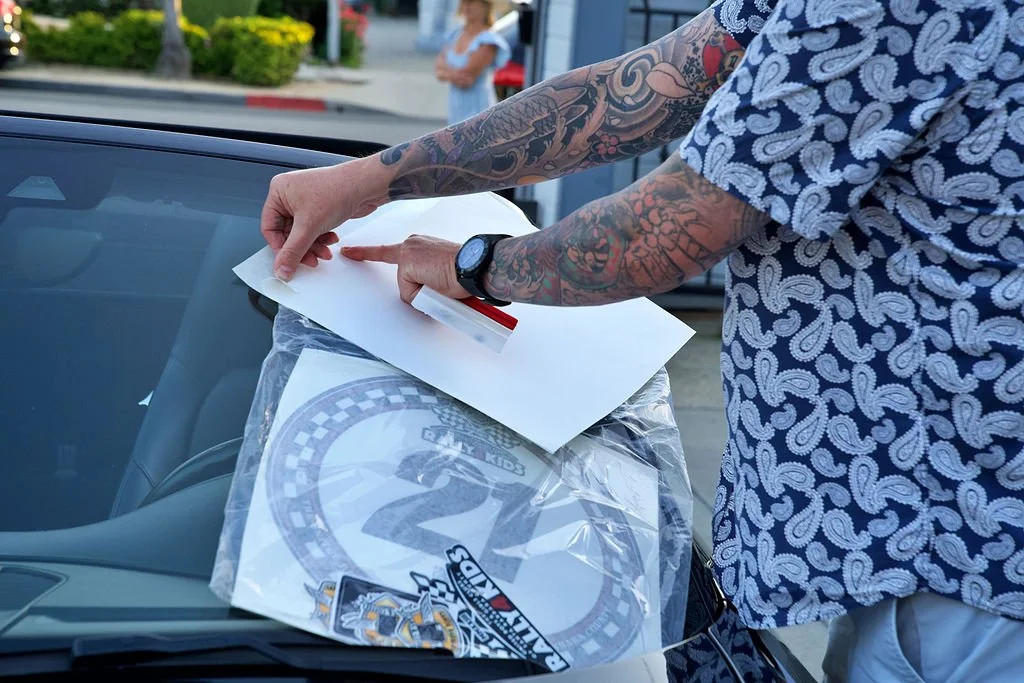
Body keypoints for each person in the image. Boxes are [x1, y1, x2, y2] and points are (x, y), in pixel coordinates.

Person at [259, 0, 1024, 679]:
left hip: (963, 557)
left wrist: (476, 265)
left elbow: (671, 229)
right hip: (928, 553)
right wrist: (378, 177)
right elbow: (636, 91)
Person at [434, 0, 511, 126]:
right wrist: (450, 74)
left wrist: (445, 71)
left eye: (472, 2)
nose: (466, 6)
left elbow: (467, 76)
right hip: (455, 108)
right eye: (464, 2)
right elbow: (438, 67)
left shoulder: (488, 40)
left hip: (478, 109)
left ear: (485, 6)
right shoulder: (455, 34)